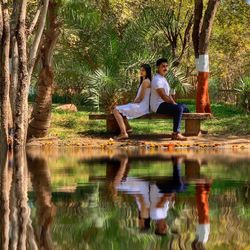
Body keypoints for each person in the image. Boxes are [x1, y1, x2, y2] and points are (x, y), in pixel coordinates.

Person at [150, 58, 189, 141]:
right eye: (163, 66)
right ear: (157, 67)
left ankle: (193, 130)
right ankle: (176, 133)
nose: (165, 68)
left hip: (165, 104)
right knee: (179, 108)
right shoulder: (157, 79)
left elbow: (168, 95)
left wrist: (174, 103)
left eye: (166, 66)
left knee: (185, 108)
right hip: (157, 106)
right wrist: (174, 105)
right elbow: (164, 96)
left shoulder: (163, 78)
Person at [113, 64, 152, 140]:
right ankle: (128, 128)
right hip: (141, 105)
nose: (141, 72)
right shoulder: (144, 81)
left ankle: (124, 133)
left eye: (143, 70)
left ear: (147, 71)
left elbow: (141, 98)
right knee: (120, 110)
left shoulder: (146, 81)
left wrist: (132, 103)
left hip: (141, 107)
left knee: (116, 110)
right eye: (140, 70)